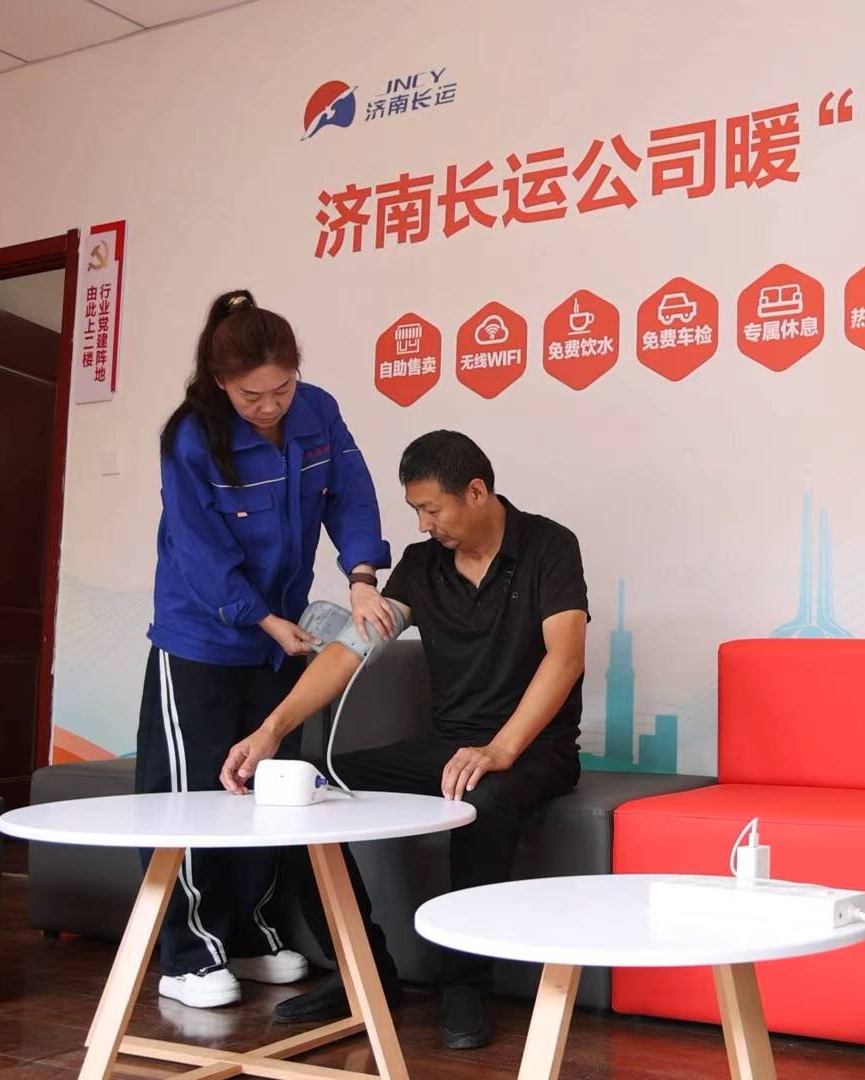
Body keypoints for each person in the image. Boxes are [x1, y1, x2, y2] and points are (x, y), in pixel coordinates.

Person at [218, 430, 588, 1050]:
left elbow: (565, 657)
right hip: (447, 744)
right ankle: (362, 971)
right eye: (415, 509)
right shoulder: (422, 565)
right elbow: (349, 651)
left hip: (534, 748)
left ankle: (464, 984)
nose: (422, 524)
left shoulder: (549, 546)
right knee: (306, 791)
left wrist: (500, 749)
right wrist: (270, 729)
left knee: (483, 797)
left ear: (476, 492)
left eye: (431, 508)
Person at [140, 289, 393, 1008]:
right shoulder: (192, 436)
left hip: (281, 633)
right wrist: (260, 618)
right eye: (253, 395)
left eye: (282, 388)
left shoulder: (318, 412)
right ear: (221, 381)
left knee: (263, 785)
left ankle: (249, 935)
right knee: (193, 794)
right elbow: (198, 548)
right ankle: (190, 954)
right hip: (203, 634)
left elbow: (351, 496)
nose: (270, 405)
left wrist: (362, 578)